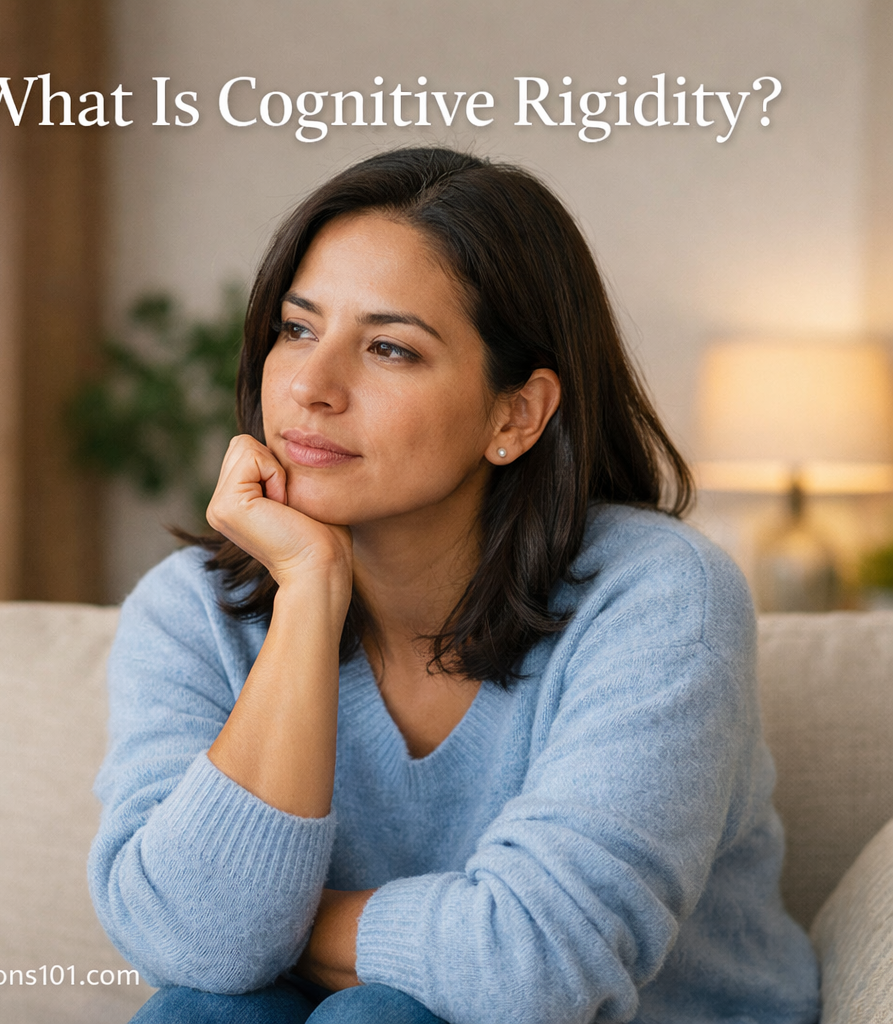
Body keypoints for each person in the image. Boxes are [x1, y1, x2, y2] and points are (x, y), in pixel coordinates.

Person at [88, 147, 819, 1024]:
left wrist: (286, 928)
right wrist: (309, 600)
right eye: (297, 329)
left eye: (389, 348)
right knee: (200, 1015)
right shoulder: (190, 609)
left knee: (378, 1018)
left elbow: (536, 966)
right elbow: (190, 949)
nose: (311, 388)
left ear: (515, 415)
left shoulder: (661, 598)